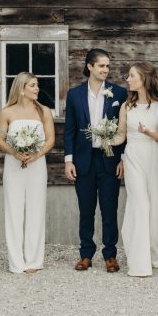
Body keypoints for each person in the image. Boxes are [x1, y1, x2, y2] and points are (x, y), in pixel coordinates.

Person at [111, 62, 158, 277]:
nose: (128, 79)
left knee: (155, 204)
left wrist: (148, 132)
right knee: (139, 204)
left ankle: (157, 255)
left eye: (132, 76)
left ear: (144, 78)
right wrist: (105, 138)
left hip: (154, 155)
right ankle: (139, 260)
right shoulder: (126, 106)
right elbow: (121, 135)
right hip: (133, 156)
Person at [64, 48, 127, 273]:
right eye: (101, 65)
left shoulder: (119, 93)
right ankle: (86, 254)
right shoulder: (75, 94)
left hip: (109, 159)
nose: (105, 70)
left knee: (110, 209)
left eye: (107, 66)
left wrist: (123, 159)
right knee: (86, 209)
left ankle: (110, 255)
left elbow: (124, 129)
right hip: (84, 160)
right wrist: (68, 160)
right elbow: (70, 129)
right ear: (89, 66)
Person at [0, 72, 54, 274]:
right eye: (33, 85)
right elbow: (0, 141)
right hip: (13, 164)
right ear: (21, 89)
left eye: (37, 85)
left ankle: (34, 260)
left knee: (36, 209)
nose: (37, 88)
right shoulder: (7, 112)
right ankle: (16, 262)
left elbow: (50, 140)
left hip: (37, 164)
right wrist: (14, 152)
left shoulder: (44, 111)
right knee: (14, 210)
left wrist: (36, 155)